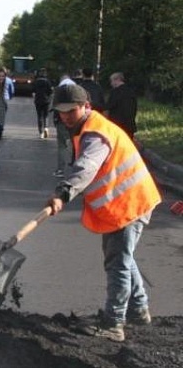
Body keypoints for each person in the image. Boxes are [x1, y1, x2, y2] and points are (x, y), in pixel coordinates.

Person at [46, 83, 161, 342]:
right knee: (122, 257)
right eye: (61, 111)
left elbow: (86, 167)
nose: (65, 116)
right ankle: (138, 309)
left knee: (117, 262)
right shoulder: (86, 128)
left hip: (129, 204)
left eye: (71, 111)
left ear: (86, 106)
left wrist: (63, 193)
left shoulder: (95, 134)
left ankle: (114, 323)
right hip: (125, 203)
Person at [52, 74, 75, 177]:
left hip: (62, 121)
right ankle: (77, 168)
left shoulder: (58, 90)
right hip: (75, 121)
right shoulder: (76, 90)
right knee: (75, 144)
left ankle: (60, 169)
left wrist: (56, 120)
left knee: (62, 145)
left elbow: (55, 106)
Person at [105, 72, 138, 139]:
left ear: (117, 80)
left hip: (117, 124)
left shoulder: (114, 92)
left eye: (112, 81)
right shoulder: (131, 91)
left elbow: (109, 106)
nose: (111, 84)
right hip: (129, 124)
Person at [32, 68, 54, 139]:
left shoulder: (36, 82)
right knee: (46, 115)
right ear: (45, 74)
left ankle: (41, 132)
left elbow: (33, 92)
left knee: (39, 116)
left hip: (38, 100)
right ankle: (46, 128)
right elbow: (51, 91)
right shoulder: (48, 82)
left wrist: (35, 98)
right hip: (46, 101)